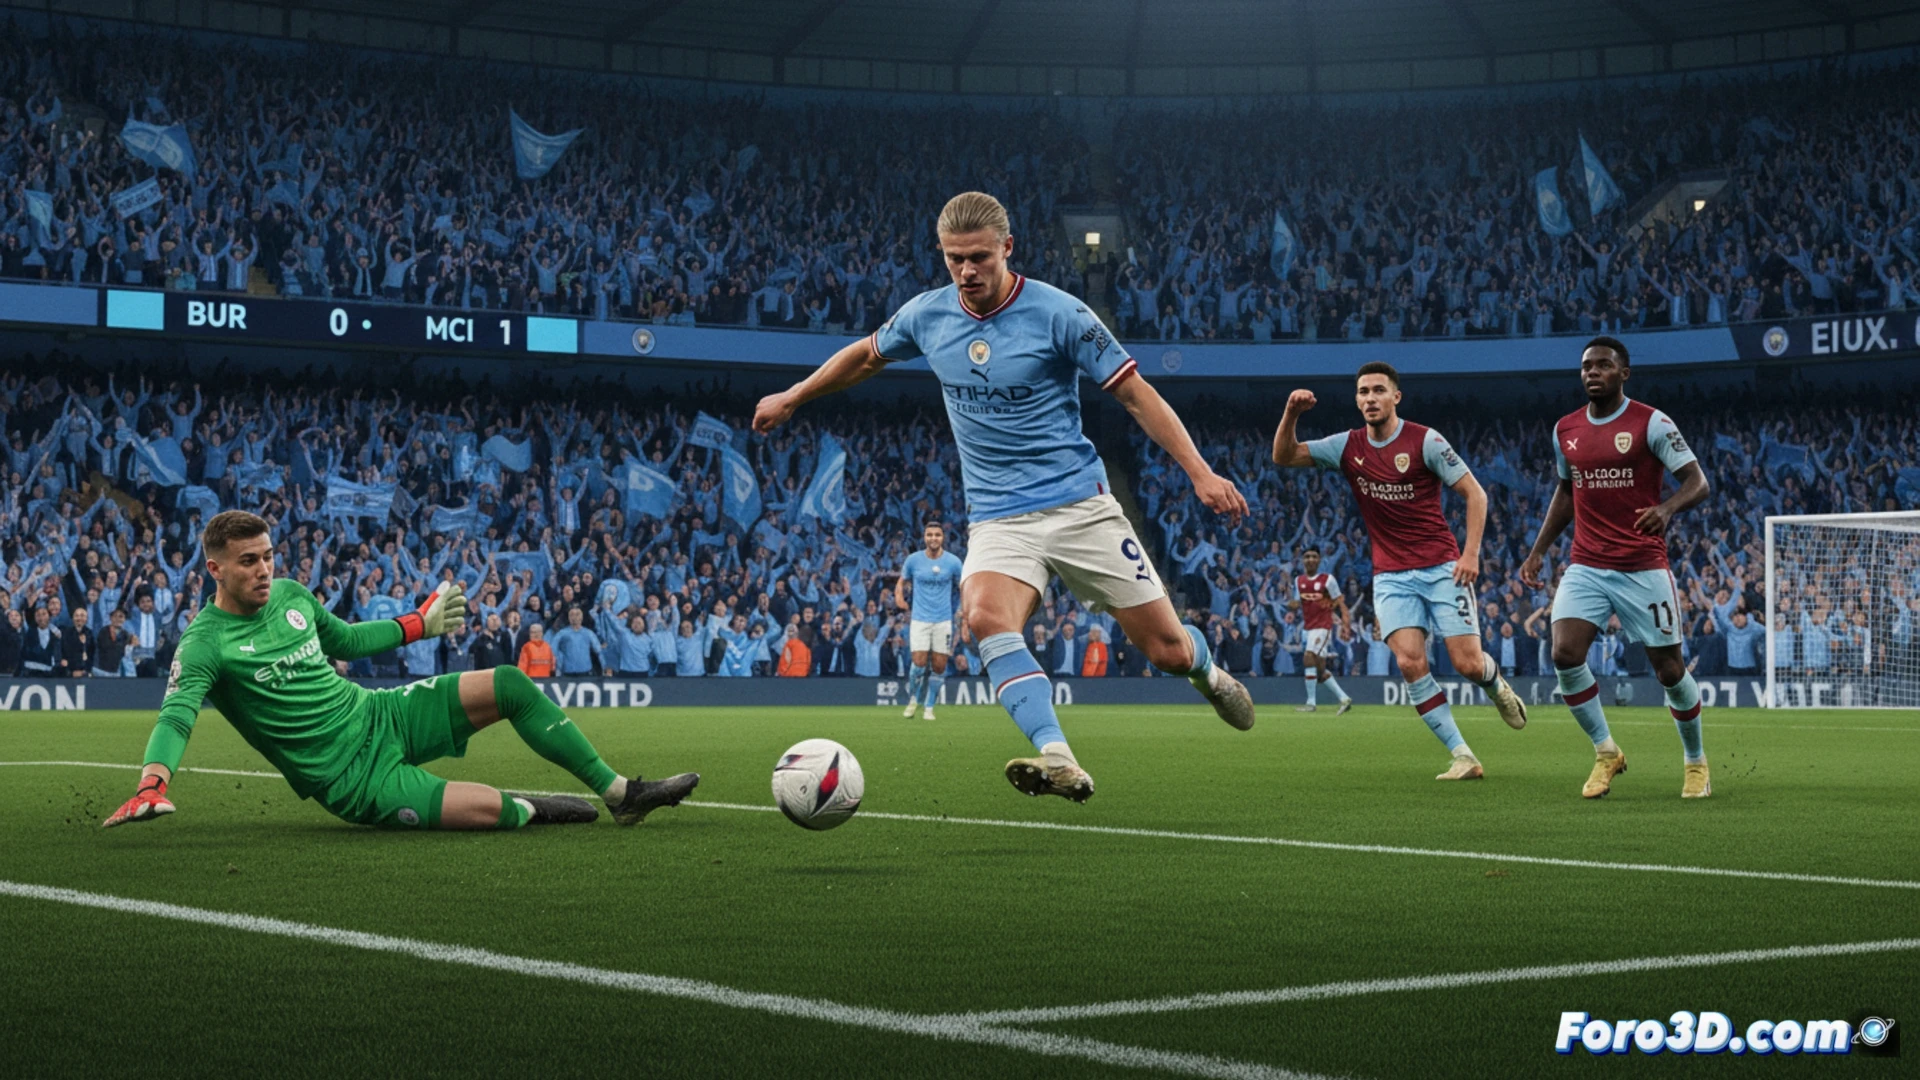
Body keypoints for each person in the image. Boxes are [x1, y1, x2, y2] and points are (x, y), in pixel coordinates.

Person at [755, 191, 1253, 803]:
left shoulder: (1061, 314)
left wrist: (1199, 473)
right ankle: (1058, 754)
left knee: (1168, 651)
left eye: (979, 258)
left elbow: (1136, 395)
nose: (967, 271)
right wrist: (795, 395)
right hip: (997, 515)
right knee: (984, 616)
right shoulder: (927, 315)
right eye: (954, 259)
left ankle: (1206, 671)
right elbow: (864, 356)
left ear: (1007, 249)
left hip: (1079, 506)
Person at [101, 511, 697, 832]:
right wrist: (152, 784)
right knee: (492, 811)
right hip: (353, 781)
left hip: (378, 713)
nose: (263, 570)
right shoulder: (205, 643)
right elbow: (176, 715)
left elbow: (349, 640)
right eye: (248, 562)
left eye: (268, 556)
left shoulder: (291, 595)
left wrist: (420, 623)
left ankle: (623, 794)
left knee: (509, 683)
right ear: (215, 569)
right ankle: (532, 807)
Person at [1272, 362, 1527, 781]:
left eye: (1377, 390)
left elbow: (1475, 494)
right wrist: (1292, 413)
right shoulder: (1347, 446)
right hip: (1390, 574)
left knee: (1466, 664)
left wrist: (1471, 554)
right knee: (1410, 663)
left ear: (1395, 397)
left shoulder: (1425, 441)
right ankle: (1463, 755)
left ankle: (1495, 684)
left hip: (1443, 567)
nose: (1369, 398)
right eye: (1362, 392)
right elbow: (1283, 456)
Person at [1520, 336, 1713, 799]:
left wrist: (1666, 509)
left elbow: (1698, 482)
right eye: (1587, 366)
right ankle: (1606, 752)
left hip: (1642, 566)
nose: (1592, 372)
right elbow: (1567, 492)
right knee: (1564, 654)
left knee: (1668, 671)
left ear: (1624, 373)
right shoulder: (1565, 428)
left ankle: (1695, 762)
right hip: (1586, 563)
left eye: (1604, 365)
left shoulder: (1651, 422)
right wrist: (1539, 549)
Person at [895, 521, 963, 720]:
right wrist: (899, 597)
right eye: (930, 535)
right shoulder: (913, 560)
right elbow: (902, 581)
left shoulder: (953, 562)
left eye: (937, 535)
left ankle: (929, 706)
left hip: (943, 620)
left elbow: (963, 587)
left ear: (943, 538)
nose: (934, 538)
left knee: (940, 666)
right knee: (918, 663)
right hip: (920, 619)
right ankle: (913, 700)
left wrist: (962, 609)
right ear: (924, 537)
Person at [1291, 545, 1353, 713]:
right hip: (1307, 629)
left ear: (1319, 560)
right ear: (1302, 560)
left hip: (1323, 627)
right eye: (1307, 556)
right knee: (1319, 671)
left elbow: (1340, 602)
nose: (1310, 559)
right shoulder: (1298, 581)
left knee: (1308, 658)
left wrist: (1345, 625)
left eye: (1313, 556)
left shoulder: (1328, 580)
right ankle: (1344, 699)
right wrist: (1290, 605)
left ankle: (1311, 703)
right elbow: (1296, 604)